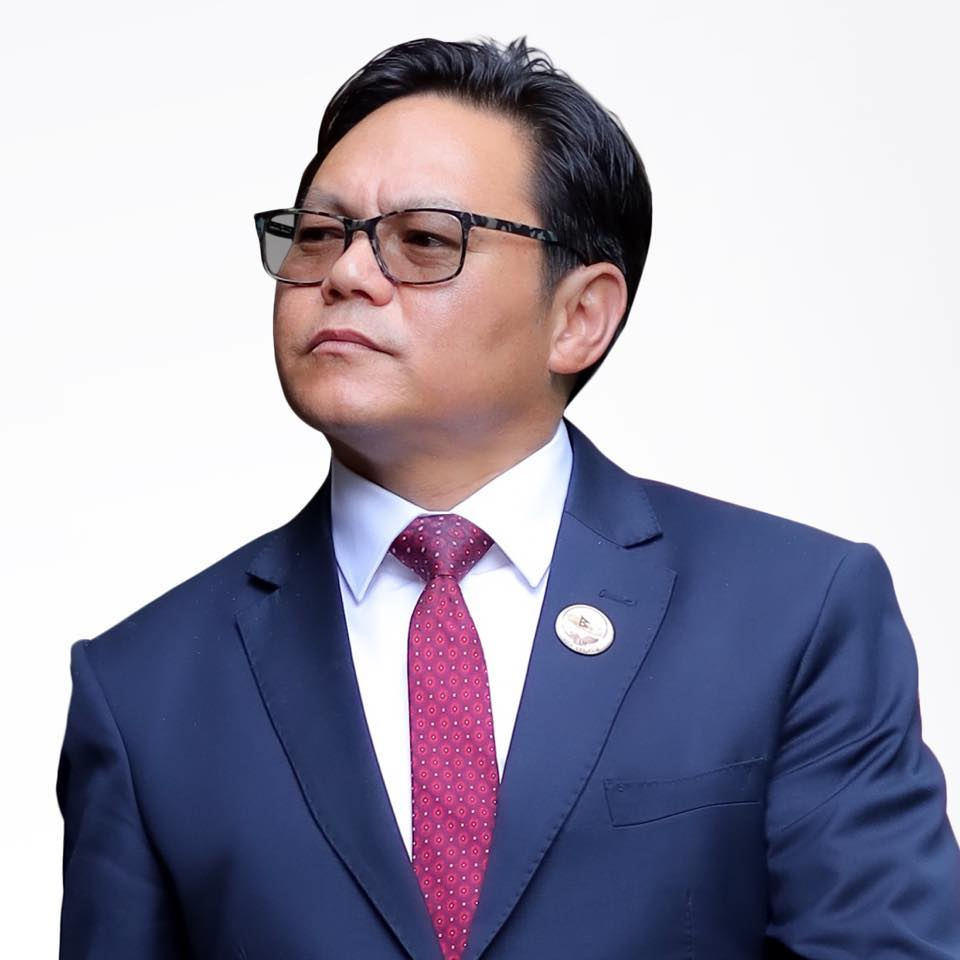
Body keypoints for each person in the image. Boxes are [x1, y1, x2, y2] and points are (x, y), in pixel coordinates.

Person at [56, 36, 960, 960]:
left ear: (579, 316)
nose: (345, 274)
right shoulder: (142, 690)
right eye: (319, 234)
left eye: (422, 240)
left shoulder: (793, 614)